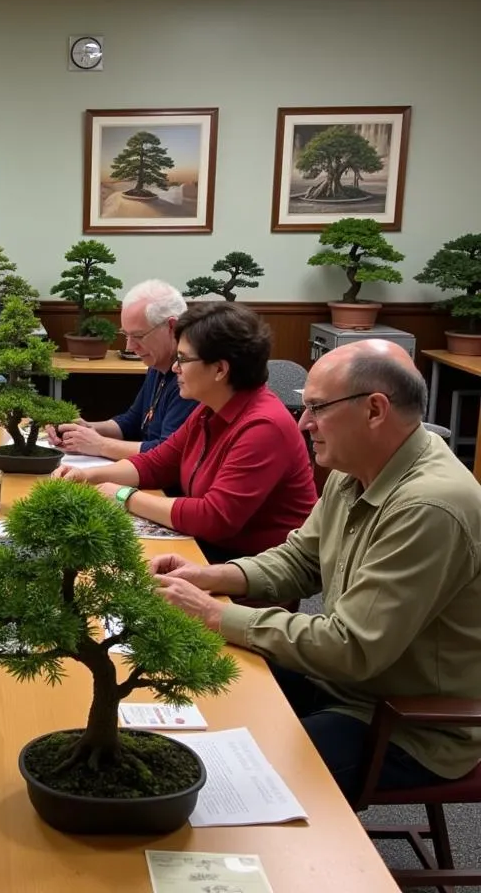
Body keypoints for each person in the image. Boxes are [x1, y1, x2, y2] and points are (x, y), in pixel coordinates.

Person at [150, 340, 481, 801]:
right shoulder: (357, 467)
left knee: (235, 781)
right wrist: (215, 577)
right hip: (343, 685)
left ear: (375, 410)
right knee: (198, 680)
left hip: (402, 722)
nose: (303, 422)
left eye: (316, 408)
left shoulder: (430, 506)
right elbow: (300, 559)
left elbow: (351, 647)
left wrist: (215, 615)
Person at [53, 302, 317, 561]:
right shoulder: (208, 409)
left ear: (220, 369)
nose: (176, 368)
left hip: (245, 573)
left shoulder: (263, 427)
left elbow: (214, 518)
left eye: (183, 359)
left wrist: (123, 495)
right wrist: (89, 476)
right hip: (207, 551)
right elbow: (157, 464)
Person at [46, 279, 197, 459]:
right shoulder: (157, 364)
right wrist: (85, 430)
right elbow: (131, 422)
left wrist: (99, 445)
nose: (129, 346)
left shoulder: (192, 378)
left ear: (172, 327)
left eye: (138, 336)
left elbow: (168, 453)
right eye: (126, 335)